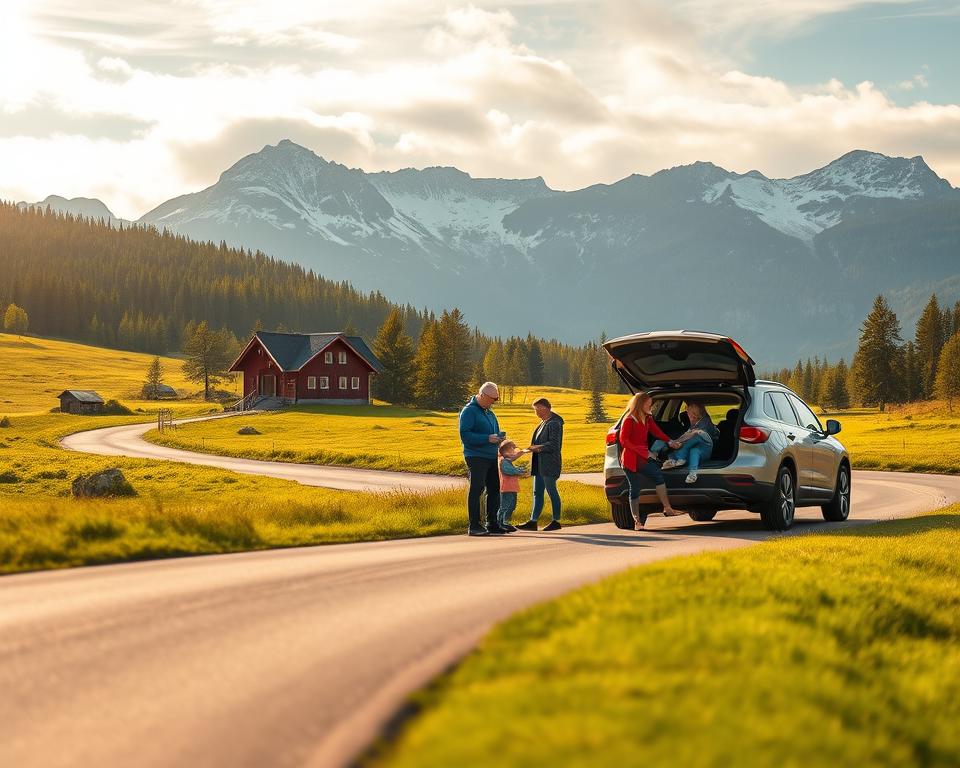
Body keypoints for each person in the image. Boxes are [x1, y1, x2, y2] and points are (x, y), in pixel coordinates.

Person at [618, 392, 684, 530]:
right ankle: (637, 522)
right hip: (630, 460)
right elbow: (624, 441)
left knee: (658, 476)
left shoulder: (647, 418)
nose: (651, 406)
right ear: (640, 404)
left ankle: (667, 508)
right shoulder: (629, 420)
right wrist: (643, 451)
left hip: (642, 458)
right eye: (648, 404)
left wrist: (669, 441)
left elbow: (656, 431)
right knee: (635, 488)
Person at [458, 381, 510, 536]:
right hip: (475, 456)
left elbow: (492, 434)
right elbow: (465, 435)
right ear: (483, 395)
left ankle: (492, 523)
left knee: (494, 489)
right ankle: (474, 525)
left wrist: (498, 439)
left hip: (491, 456)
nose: (493, 403)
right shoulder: (469, 411)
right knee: (477, 488)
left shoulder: (489, 413)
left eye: (495, 400)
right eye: (492, 400)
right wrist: (487, 438)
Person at [516, 397, 564, 532]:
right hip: (540, 464)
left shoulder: (554, 423)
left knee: (551, 491)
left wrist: (538, 447)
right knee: (537, 492)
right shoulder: (544, 423)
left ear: (544, 408)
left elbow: (555, 444)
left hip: (549, 464)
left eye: (537, 410)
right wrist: (535, 448)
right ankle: (533, 521)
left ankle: (556, 521)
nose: (536, 413)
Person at [662, 400, 720, 484]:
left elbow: (692, 435)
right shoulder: (696, 421)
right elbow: (688, 433)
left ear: (693, 415)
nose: (687, 415)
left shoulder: (703, 423)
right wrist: (674, 441)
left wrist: (675, 442)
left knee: (695, 437)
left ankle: (679, 458)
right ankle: (675, 461)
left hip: (707, 446)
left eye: (688, 413)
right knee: (694, 450)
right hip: (698, 448)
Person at [497, 440, 529, 531]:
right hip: (506, 487)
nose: (513, 452)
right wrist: (520, 471)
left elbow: (513, 461)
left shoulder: (507, 460)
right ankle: (500, 522)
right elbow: (509, 470)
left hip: (511, 487)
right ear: (504, 452)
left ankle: (504, 522)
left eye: (513, 450)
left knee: (511, 505)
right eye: (511, 450)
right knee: (505, 506)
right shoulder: (503, 461)